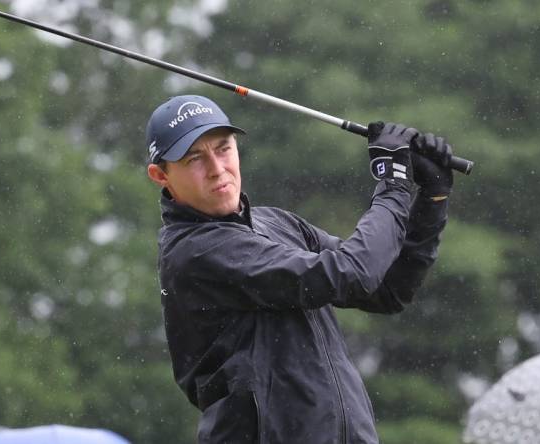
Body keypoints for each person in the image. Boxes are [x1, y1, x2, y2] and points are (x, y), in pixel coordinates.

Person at [145, 95, 453, 444]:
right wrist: (393, 184)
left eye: (223, 148)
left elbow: (387, 288)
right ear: (161, 175)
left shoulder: (276, 223)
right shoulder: (197, 251)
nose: (217, 168)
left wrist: (431, 198)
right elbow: (351, 272)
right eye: (194, 158)